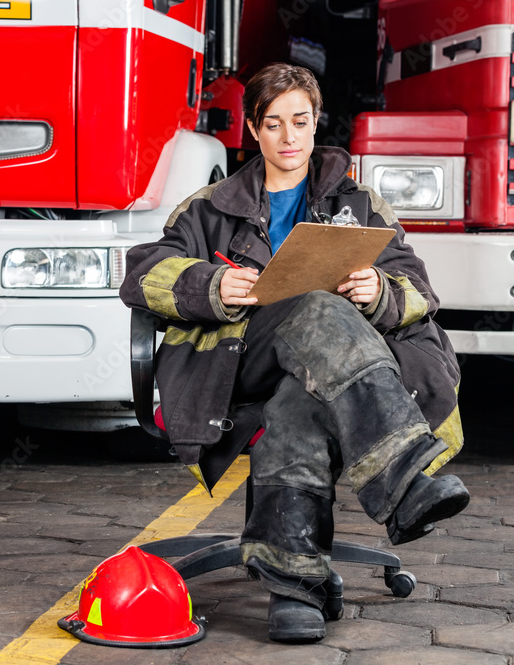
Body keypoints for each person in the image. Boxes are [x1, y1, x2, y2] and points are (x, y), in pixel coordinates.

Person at [120, 63, 468, 643]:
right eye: (274, 124)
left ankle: (296, 587)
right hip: (236, 363)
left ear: (315, 123)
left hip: (328, 375)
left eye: (300, 122)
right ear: (254, 130)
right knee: (315, 307)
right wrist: (209, 285)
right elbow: (141, 277)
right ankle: (403, 474)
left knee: (297, 404)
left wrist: (380, 291)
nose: (289, 137)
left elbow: (420, 293)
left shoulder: (360, 204)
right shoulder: (209, 207)